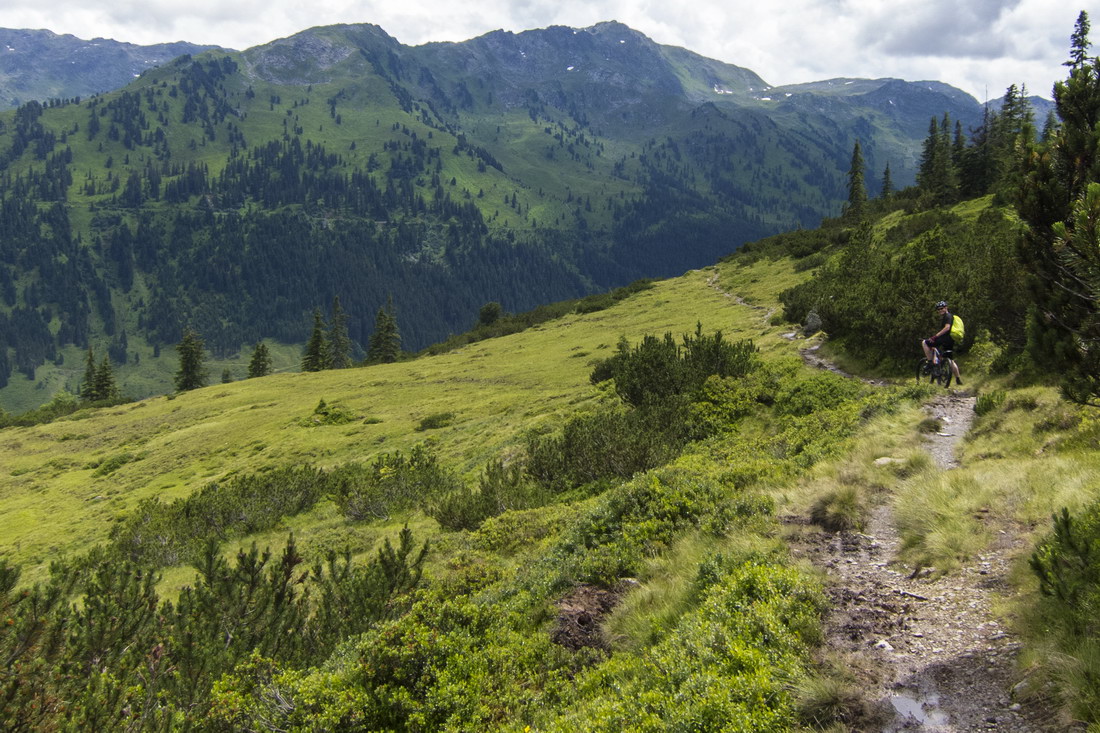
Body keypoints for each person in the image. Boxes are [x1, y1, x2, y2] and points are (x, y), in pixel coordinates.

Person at [922, 300, 962, 385]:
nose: (940, 310)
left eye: (942, 308)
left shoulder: (947, 316)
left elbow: (947, 328)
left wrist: (935, 336)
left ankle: (929, 363)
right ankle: (958, 379)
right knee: (950, 360)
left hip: (944, 339)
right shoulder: (950, 316)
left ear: (946, 308)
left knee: (924, 342)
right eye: (938, 309)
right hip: (951, 340)